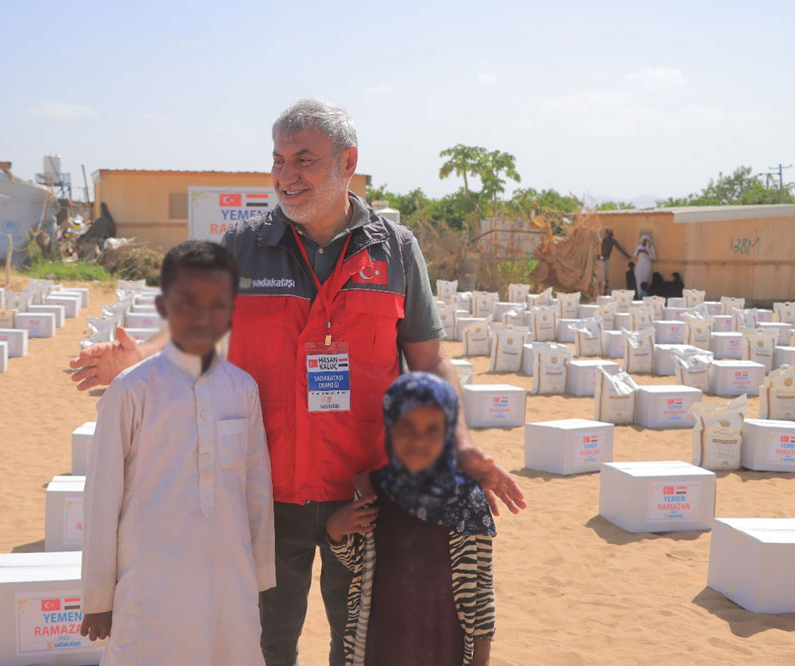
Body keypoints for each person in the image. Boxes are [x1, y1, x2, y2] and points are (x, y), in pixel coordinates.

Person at [70, 99, 525, 666]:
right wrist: (138, 360)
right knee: (264, 642)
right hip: (265, 488)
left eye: (304, 159)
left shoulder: (395, 250)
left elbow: (429, 361)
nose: (286, 175)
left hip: (364, 490)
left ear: (348, 162)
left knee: (358, 639)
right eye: (278, 160)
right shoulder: (242, 247)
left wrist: (462, 445)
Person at [78, 240, 276, 665]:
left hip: (229, 584)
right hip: (151, 585)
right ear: (165, 308)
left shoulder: (242, 389)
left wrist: (257, 584)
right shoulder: (131, 390)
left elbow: (257, 495)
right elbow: (101, 498)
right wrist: (98, 596)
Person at [327, 372, 495, 666]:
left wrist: (481, 658)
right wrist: (336, 529)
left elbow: (482, 588)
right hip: (382, 643)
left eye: (432, 429)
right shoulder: (372, 490)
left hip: (445, 644)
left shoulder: (468, 499)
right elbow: (357, 562)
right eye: (407, 427)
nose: (419, 439)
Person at [598, 228, 630, 295]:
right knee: (599, 277)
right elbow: (598, 248)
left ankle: (605, 292)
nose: (607, 235)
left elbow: (619, 248)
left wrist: (626, 255)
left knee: (606, 277)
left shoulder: (612, 241)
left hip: (606, 260)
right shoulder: (602, 240)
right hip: (599, 260)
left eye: (609, 234)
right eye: (607, 233)